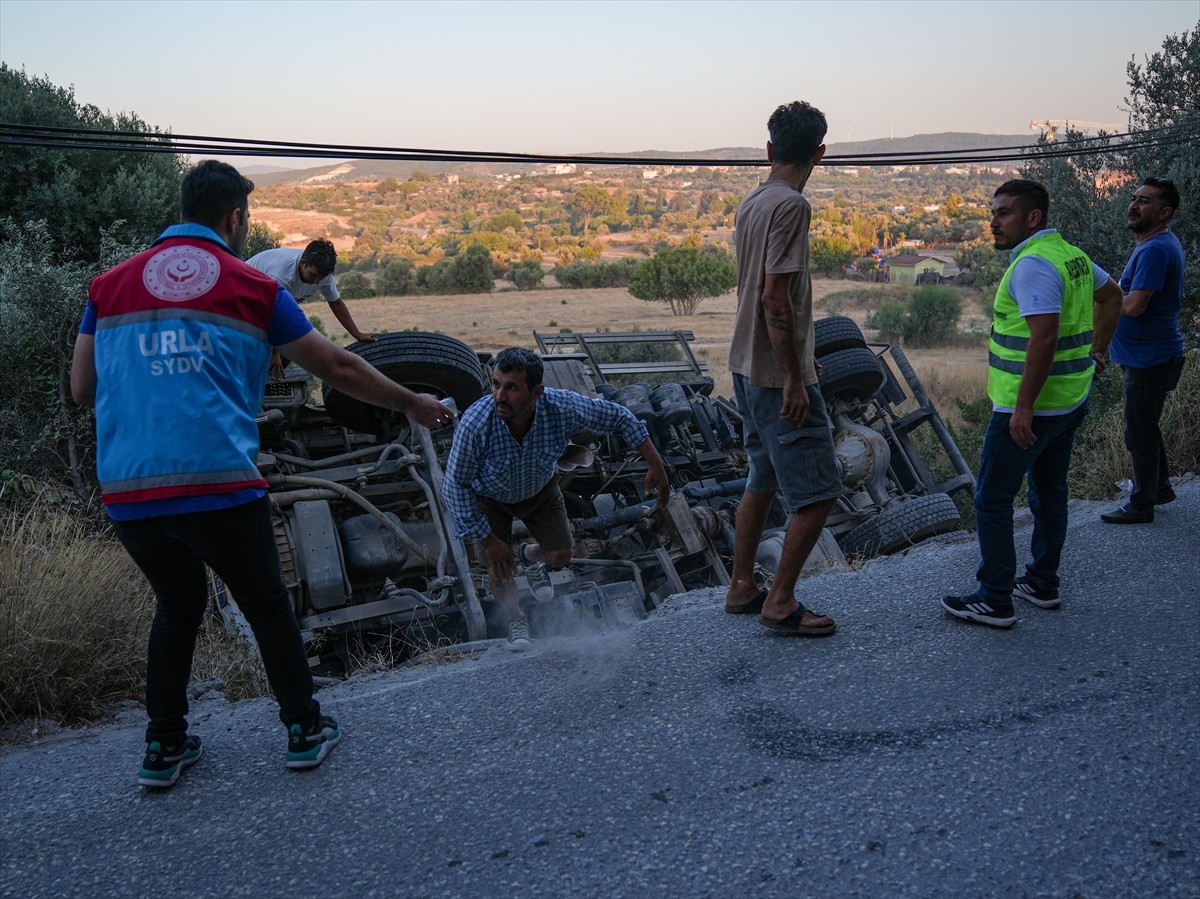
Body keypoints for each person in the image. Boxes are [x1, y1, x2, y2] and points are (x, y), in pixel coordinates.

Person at [70, 160, 451, 788]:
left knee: (177, 606)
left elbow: (83, 389)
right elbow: (338, 368)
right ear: (235, 218)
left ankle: (163, 748)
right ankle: (304, 730)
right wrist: (412, 402)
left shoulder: (107, 287)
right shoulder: (253, 286)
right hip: (217, 481)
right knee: (269, 606)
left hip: (130, 490)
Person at [941, 179, 1123, 628]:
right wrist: (1099, 350)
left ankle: (995, 598)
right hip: (1069, 401)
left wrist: (1023, 408)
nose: (993, 222)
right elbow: (1112, 295)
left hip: (1030, 410)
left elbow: (1043, 337)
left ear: (1033, 217)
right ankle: (1042, 582)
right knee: (1050, 492)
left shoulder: (1032, 265)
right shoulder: (1070, 255)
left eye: (1004, 213)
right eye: (993, 212)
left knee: (992, 499)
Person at [442, 347, 669, 650]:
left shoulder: (560, 406)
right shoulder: (476, 424)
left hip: (540, 489)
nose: (499, 396)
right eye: (496, 384)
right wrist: (488, 540)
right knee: (500, 567)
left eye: (512, 388)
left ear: (536, 392)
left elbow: (619, 416)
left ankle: (527, 557)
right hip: (490, 497)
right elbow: (454, 486)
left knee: (561, 555)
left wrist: (655, 463)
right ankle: (516, 620)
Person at [721, 100, 840, 637]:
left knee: (762, 477)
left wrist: (799, 354)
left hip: (745, 365)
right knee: (820, 491)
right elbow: (774, 298)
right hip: (774, 377)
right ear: (820, 153)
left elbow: (764, 296)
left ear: (770, 149)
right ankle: (781, 600)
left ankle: (742, 586)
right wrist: (794, 377)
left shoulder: (753, 200)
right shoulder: (792, 206)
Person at [1100, 177, 1187, 525]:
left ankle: (1141, 505)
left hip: (1150, 360)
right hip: (1149, 356)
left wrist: (1105, 297)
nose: (1134, 205)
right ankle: (1159, 488)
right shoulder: (1155, 243)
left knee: (1138, 433)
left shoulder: (1154, 250)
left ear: (1164, 212)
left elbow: (1135, 305)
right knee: (1146, 427)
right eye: (1134, 198)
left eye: (1145, 201)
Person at [247, 239, 375, 376]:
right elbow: (271, 314)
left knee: (293, 346)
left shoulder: (323, 275)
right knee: (263, 351)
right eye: (313, 275)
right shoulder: (282, 276)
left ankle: (264, 381)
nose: (317, 281)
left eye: (321, 277)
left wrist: (357, 334)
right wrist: (274, 354)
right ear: (302, 263)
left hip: (266, 307)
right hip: (242, 299)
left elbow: (336, 303)